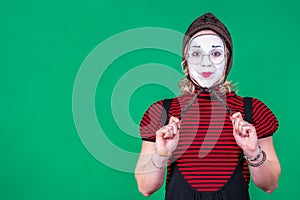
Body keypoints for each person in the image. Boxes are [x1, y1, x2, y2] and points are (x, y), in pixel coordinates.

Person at [135, 13, 280, 200]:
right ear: (185, 62)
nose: (206, 62)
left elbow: (269, 185)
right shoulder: (161, 112)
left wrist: (252, 151)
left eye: (216, 53)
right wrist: (162, 153)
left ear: (228, 60)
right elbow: (146, 188)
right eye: (196, 53)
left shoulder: (252, 110)